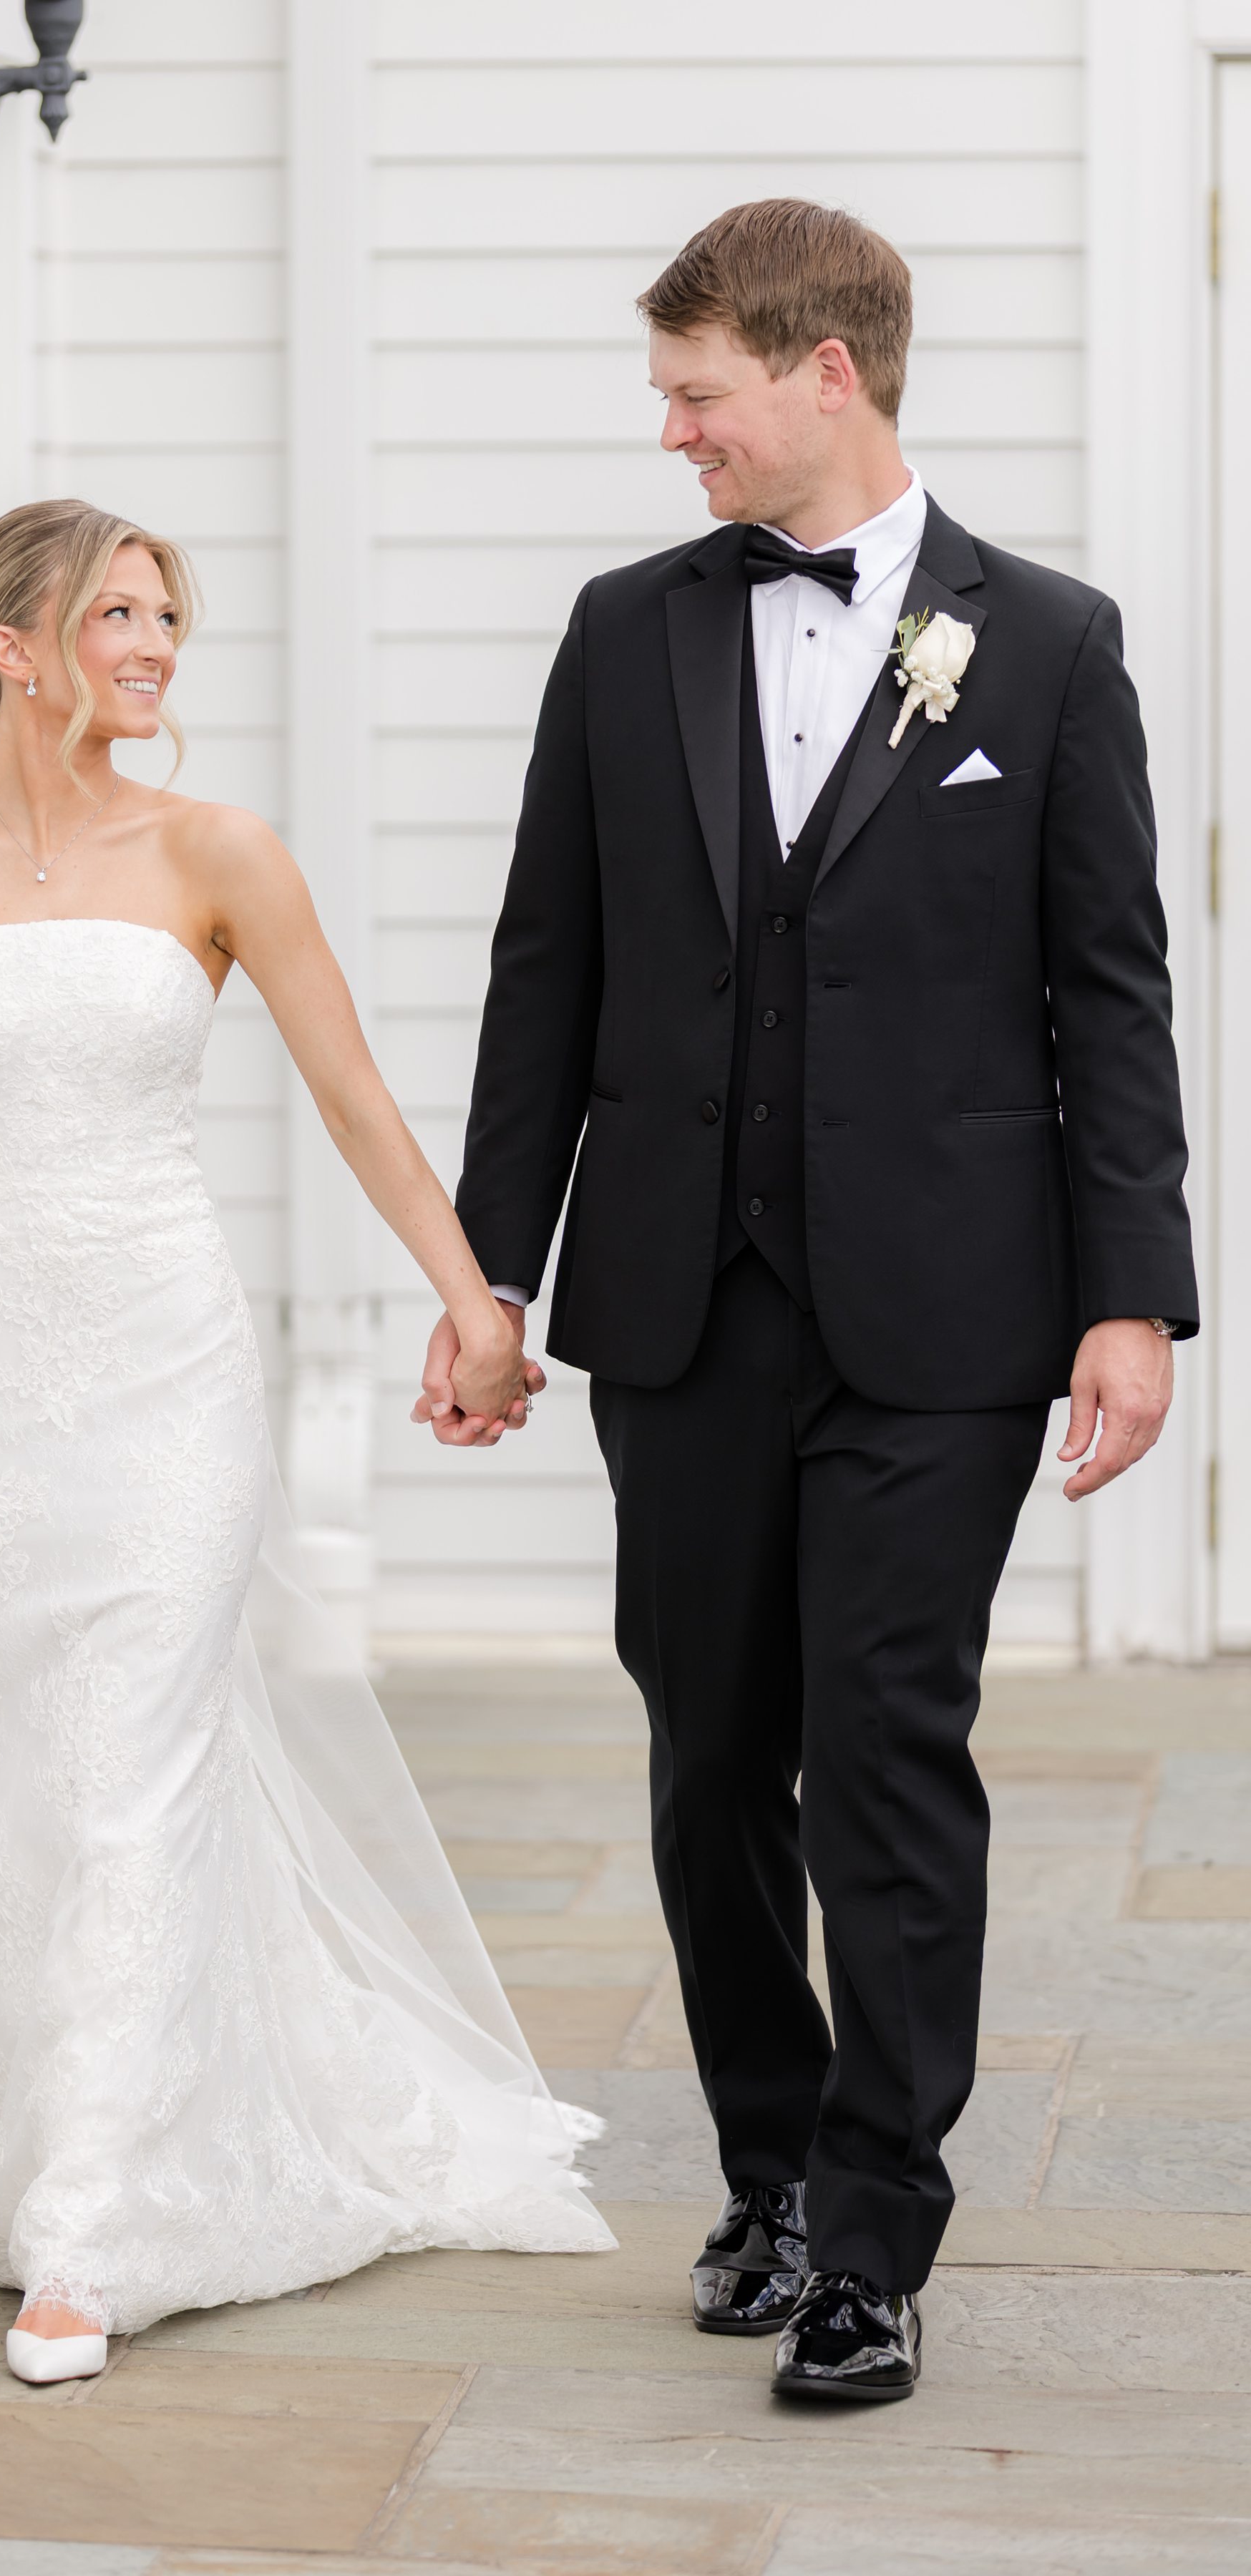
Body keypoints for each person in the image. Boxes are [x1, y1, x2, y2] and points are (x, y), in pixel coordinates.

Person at [0, 499, 612, 2384]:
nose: (155, 645)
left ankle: (91, 2222)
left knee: (131, 1763)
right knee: (3, 1773)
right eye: (116, 612)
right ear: (8, 647)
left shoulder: (218, 853)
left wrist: (473, 1297)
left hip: (169, 1373)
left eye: (169, 615)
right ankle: (21, 2124)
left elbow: (354, 1097)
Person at [417, 200, 1197, 2402]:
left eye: (699, 396)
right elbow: (542, 978)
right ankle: (765, 2173)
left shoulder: (1042, 647)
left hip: (951, 1311)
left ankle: (875, 2228)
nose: (675, 437)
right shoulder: (623, 629)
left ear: (825, 371)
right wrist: (494, 1273)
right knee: (707, 1758)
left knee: (881, 1750)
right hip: (679, 1301)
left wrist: (1131, 1298)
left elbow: (1105, 995)